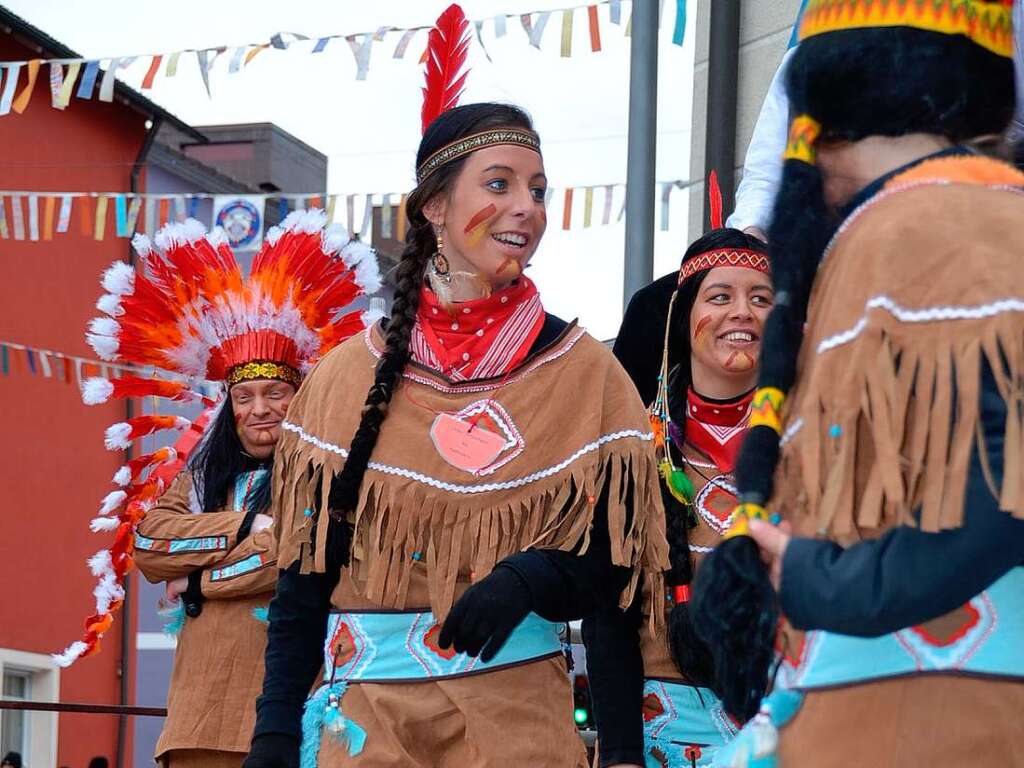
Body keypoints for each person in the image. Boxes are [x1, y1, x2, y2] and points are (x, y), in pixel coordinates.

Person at [244, 8, 667, 767]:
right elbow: (303, 583)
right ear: (434, 207)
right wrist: (274, 734)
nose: (527, 209)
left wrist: (533, 575)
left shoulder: (586, 374)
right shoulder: (344, 379)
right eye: (498, 185)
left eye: (537, 190)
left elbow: (618, 577)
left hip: (519, 729)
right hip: (367, 729)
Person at [691, 0, 1024, 765]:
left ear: (829, 102)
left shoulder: (945, 222)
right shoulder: (927, 221)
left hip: (941, 717)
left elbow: (1007, 472)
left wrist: (827, 582)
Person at [71, 211, 379, 768]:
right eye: (245, 398)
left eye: (275, 394)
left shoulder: (326, 477)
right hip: (197, 716)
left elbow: (289, 558)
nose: (259, 410)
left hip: (290, 718)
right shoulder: (201, 477)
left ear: (302, 398)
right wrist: (242, 525)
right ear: (229, 408)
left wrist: (198, 584)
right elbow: (149, 546)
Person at [584, 225, 772, 768]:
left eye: (761, 298)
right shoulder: (631, 452)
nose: (742, 311)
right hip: (660, 735)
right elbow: (607, 614)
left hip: (794, 727)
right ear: (683, 321)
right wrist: (621, 755)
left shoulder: (816, 449)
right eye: (720, 296)